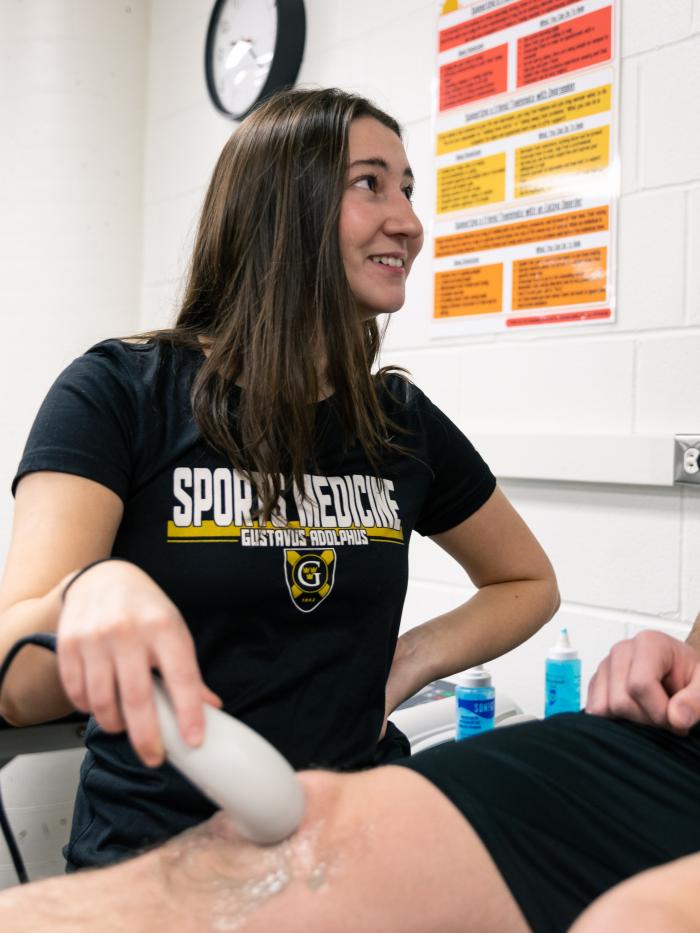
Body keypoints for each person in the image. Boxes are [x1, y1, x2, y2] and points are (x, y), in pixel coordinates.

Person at [0, 88, 559, 870]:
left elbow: (528, 579)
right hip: (158, 858)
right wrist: (87, 590)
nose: (409, 220)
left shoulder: (399, 420)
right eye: (370, 184)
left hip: (352, 841)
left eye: (408, 188)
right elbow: (15, 685)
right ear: (280, 206)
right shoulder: (120, 394)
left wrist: (405, 664)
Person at [0, 626, 698, 932]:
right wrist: (683, 652)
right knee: (312, 839)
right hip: (679, 742)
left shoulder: (400, 418)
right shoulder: (121, 387)